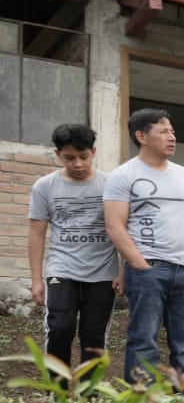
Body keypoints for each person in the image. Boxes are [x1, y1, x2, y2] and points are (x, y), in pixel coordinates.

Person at [103, 108, 184, 385]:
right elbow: (115, 225)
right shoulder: (123, 175)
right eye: (163, 131)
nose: (172, 137)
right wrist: (139, 264)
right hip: (148, 270)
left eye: (172, 131)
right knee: (143, 341)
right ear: (141, 136)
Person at [27, 123, 122, 372]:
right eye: (69, 158)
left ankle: (88, 400)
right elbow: (36, 234)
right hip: (62, 268)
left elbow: (122, 230)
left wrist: (124, 271)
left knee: (94, 335)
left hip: (103, 273)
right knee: (59, 328)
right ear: (57, 154)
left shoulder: (111, 185)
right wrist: (37, 280)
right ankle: (56, 398)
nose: (78, 164)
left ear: (94, 152)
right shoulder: (44, 187)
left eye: (84, 157)